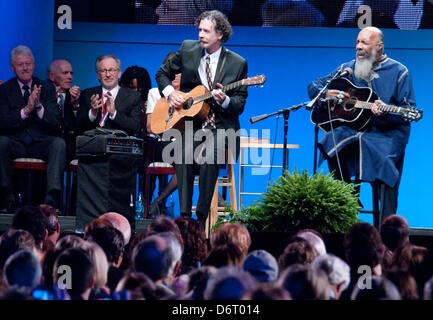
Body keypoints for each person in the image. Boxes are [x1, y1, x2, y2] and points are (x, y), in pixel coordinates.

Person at [308, 26, 417, 223]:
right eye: (357, 42)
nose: (358, 47)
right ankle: (346, 201)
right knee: (332, 139)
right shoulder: (347, 68)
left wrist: (386, 111)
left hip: (386, 135)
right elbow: (315, 86)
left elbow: (407, 112)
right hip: (354, 130)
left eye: (364, 43)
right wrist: (326, 94)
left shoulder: (399, 72)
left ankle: (386, 229)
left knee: (385, 166)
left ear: (379, 46)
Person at [155, 10, 248, 229]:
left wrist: (225, 99)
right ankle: (185, 217)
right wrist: (171, 93)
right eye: (199, 30)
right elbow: (162, 74)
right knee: (184, 153)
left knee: (210, 155)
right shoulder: (188, 49)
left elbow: (239, 104)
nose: (201, 35)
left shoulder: (237, 63)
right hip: (192, 124)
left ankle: (201, 217)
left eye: (206, 31)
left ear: (221, 35)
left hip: (221, 127)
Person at [0, 45, 66, 212]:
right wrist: (25, 111)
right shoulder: (4, 90)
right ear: (12, 67)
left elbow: (54, 122)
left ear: (34, 65)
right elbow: (3, 121)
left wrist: (37, 107)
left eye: (28, 63)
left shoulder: (47, 88)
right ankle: (6, 197)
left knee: (58, 144)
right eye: (20, 64)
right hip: (16, 143)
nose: (25, 68)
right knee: (1, 143)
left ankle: (52, 198)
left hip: (40, 143)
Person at [77, 54, 142, 136]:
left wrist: (114, 113)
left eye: (111, 70)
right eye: (103, 71)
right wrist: (92, 113)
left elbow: (135, 127)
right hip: (92, 143)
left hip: (120, 144)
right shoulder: (87, 94)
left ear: (119, 73)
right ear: (98, 75)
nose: (108, 75)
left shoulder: (133, 97)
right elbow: (77, 127)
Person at [47, 59, 80, 142]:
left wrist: (74, 104)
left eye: (71, 73)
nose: (70, 77)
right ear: (52, 76)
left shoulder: (76, 96)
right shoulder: (43, 95)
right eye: (65, 73)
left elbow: (78, 126)